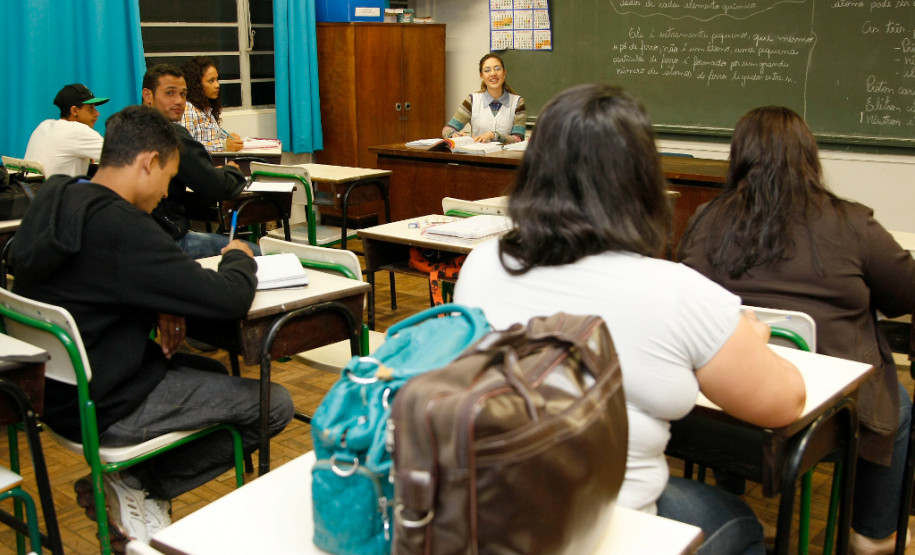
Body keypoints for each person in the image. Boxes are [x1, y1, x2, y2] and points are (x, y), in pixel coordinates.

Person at [453, 84, 806, 555]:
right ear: (641, 182)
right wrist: (748, 336)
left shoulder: (482, 262)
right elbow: (785, 403)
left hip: (492, 510)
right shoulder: (674, 289)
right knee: (738, 520)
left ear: (534, 171)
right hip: (600, 527)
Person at [8, 105, 294, 553]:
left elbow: (106, 279)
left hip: (51, 395)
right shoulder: (123, 227)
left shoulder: (57, 196)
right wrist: (239, 256)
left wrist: (162, 300)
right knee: (272, 404)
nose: (166, 192)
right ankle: (140, 487)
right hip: (107, 404)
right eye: (169, 177)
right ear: (149, 162)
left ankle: (130, 483)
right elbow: (228, 299)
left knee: (214, 373)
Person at [678, 106, 915, 555]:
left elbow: (687, 295)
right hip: (830, 414)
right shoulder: (851, 223)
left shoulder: (709, 219)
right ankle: (871, 532)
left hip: (726, 405)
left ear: (738, 156)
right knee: (899, 408)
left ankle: (730, 497)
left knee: (723, 355)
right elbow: (906, 293)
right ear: (809, 155)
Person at [141, 63, 260, 258]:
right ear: (148, 95)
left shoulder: (130, 126)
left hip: (137, 237)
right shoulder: (170, 134)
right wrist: (232, 171)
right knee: (255, 253)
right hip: (167, 241)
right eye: (170, 93)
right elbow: (217, 186)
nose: (179, 101)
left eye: (183, 94)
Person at [23, 83, 108, 176]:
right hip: (59, 186)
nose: (97, 113)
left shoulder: (44, 125)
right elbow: (119, 155)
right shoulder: (77, 130)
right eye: (90, 108)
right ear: (74, 111)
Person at [441, 53, 526, 144]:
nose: (493, 73)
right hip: (477, 152)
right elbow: (447, 129)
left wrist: (494, 136)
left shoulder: (517, 102)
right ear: (481, 75)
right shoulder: (472, 100)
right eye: (487, 70)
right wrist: (454, 135)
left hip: (506, 153)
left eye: (497, 68)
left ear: (504, 72)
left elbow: (519, 138)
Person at [179, 56, 244, 153]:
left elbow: (213, 137)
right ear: (196, 84)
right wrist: (223, 146)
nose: (217, 85)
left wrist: (229, 138)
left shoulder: (206, 109)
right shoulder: (187, 109)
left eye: (217, 80)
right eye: (211, 81)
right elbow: (186, 147)